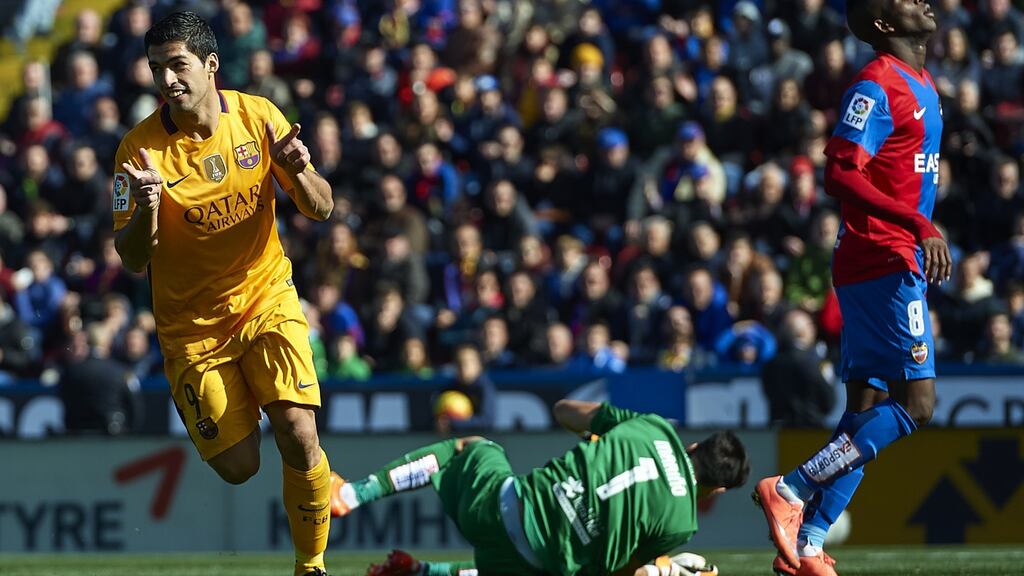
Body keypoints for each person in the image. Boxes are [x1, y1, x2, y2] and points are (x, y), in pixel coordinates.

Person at [111, 12, 335, 576]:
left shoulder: (259, 117)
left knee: (298, 430)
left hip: (265, 297)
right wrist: (146, 210)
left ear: (211, 65)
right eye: (156, 68)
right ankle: (243, 399)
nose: (167, 80)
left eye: (177, 65)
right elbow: (133, 258)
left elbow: (322, 207)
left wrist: (301, 173)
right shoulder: (136, 154)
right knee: (239, 466)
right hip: (192, 328)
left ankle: (311, 564)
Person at [752, 2, 952, 575]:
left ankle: (809, 545)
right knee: (918, 404)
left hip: (884, 257)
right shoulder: (875, 84)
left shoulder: (922, 81)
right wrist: (918, 224)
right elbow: (840, 171)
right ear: (885, 24)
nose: (924, 2)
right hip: (883, 256)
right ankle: (790, 490)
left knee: (864, 409)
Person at [329, 399, 748, 576]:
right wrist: (661, 569)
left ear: (695, 445)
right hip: (539, 563)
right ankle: (421, 572)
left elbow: (565, 410)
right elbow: (619, 571)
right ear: (718, 490)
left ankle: (351, 496)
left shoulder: (652, 426)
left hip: (506, 507)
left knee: (471, 447)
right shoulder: (681, 525)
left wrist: (597, 437)